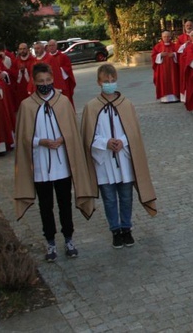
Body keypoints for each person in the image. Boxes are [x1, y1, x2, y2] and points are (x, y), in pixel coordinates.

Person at [13, 63, 97, 262]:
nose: (45, 84)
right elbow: (23, 136)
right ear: (34, 82)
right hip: (41, 165)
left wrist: (63, 139)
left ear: (53, 80)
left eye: (48, 81)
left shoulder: (63, 102)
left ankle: (69, 239)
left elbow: (72, 132)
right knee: (45, 206)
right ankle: (50, 241)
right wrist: (39, 141)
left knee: (64, 203)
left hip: (62, 166)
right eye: (40, 81)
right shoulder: (27, 105)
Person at [81, 64, 157, 249]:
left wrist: (123, 140)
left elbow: (133, 131)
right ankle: (115, 230)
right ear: (99, 82)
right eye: (106, 81)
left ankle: (126, 228)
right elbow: (88, 134)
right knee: (108, 197)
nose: (109, 84)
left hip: (124, 158)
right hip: (104, 160)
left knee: (125, 195)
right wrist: (105, 143)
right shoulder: (91, 107)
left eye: (112, 81)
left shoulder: (126, 104)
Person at [151, 31, 180, 103]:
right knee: (163, 81)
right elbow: (153, 56)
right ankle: (165, 98)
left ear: (170, 37)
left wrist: (174, 55)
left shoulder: (174, 46)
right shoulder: (157, 46)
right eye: (164, 37)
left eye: (168, 36)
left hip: (173, 69)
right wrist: (160, 55)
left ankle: (175, 97)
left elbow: (179, 55)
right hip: (162, 69)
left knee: (174, 80)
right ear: (162, 37)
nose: (166, 38)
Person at [46, 39, 76, 106]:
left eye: (53, 45)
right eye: (49, 46)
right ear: (47, 47)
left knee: (65, 100)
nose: (51, 47)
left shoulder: (63, 56)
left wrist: (58, 70)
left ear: (56, 46)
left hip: (64, 82)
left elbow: (68, 68)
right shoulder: (46, 58)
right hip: (51, 83)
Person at [13, 42, 35, 110]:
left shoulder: (33, 60)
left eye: (24, 49)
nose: (22, 51)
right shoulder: (16, 61)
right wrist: (19, 71)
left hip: (30, 86)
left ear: (28, 49)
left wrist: (26, 71)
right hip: (20, 88)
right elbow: (12, 72)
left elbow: (34, 72)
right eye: (20, 49)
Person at [176, 20, 193, 103]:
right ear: (184, 27)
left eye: (190, 25)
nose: (189, 26)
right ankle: (185, 96)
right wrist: (185, 45)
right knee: (185, 77)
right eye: (187, 25)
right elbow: (177, 49)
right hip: (184, 61)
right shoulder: (181, 37)